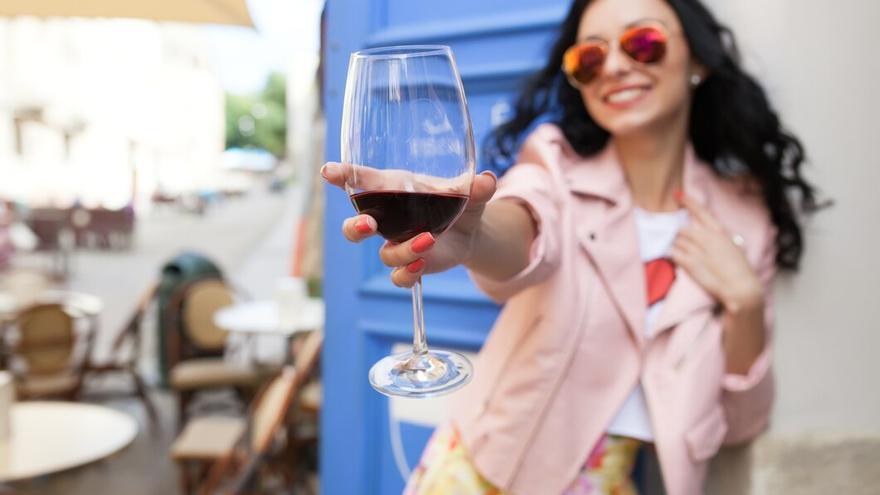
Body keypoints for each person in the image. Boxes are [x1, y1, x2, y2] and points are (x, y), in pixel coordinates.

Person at [322, 0, 821, 493]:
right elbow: (522, 228)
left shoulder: (744, 220)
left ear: (698, 57)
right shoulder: (556, 165)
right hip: (484, 472)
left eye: (642, 43)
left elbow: (739, 426)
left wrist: (745, 303)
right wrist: (475, 237)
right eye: (590, 57)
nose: (617, 66)